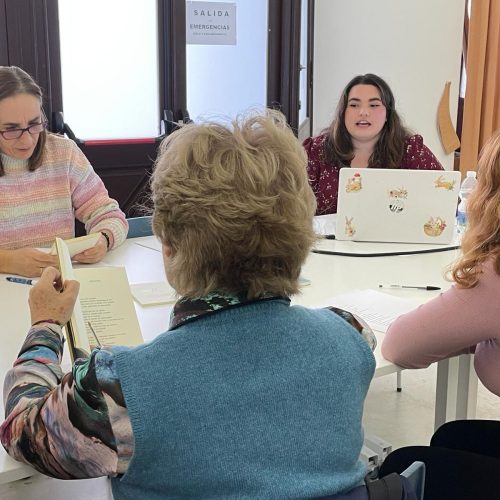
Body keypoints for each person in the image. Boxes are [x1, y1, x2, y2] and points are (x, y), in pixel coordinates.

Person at [1, 111, 377, 499]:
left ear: (169, 245)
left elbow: (20, 432)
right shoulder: (352, 337)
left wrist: (45, 324)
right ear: (301, 232)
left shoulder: (122, 391)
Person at [379, 130, 500, 499]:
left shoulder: (493, 276)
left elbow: (400, 347)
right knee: (453, 436)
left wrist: (473, 329)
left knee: (401, 465)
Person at [0, 66, 128, 277]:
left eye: (34, 124)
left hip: (60, 287)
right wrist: (7, 261)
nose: (28, 139)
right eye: (11, 129)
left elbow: (109, 214)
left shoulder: (63, 153)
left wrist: (103, 238)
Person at [304, 73, 443, 215]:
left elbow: (444, 195)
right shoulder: (316, 150)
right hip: (325, 237)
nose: (363, 112)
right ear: (343, 113)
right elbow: (292, 204)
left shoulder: (411, 150)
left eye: (374, 105)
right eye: (354, 105)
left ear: (387, 114)